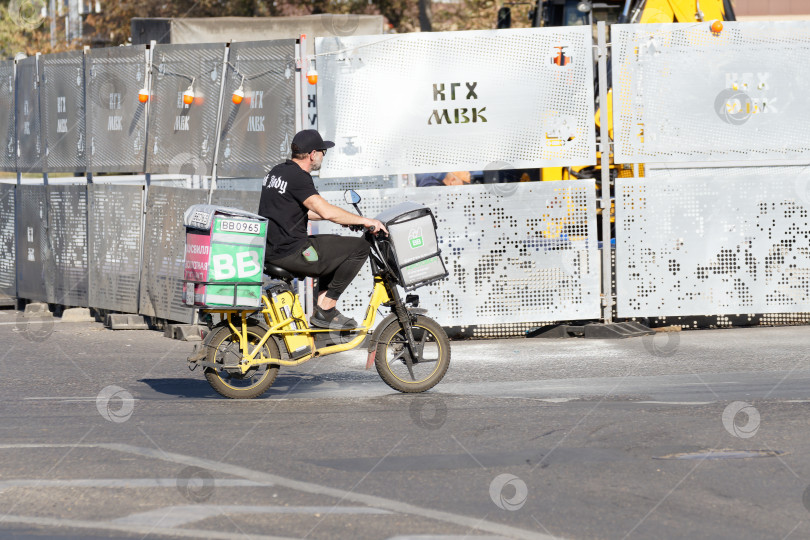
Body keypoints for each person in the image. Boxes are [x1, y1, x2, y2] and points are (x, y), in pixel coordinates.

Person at [258, 129, 388, 329]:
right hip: (294, 252)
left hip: (273, 250)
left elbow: (300, 211)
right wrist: (364, 221)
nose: (323, 157)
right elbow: (325, 211)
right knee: (359, 247)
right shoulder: (299, 177)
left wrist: (347, 220)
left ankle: (322, 309)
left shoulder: (277, 172)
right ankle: (326, 309)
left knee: (334, 246)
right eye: (322, 152)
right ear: (312, 154)